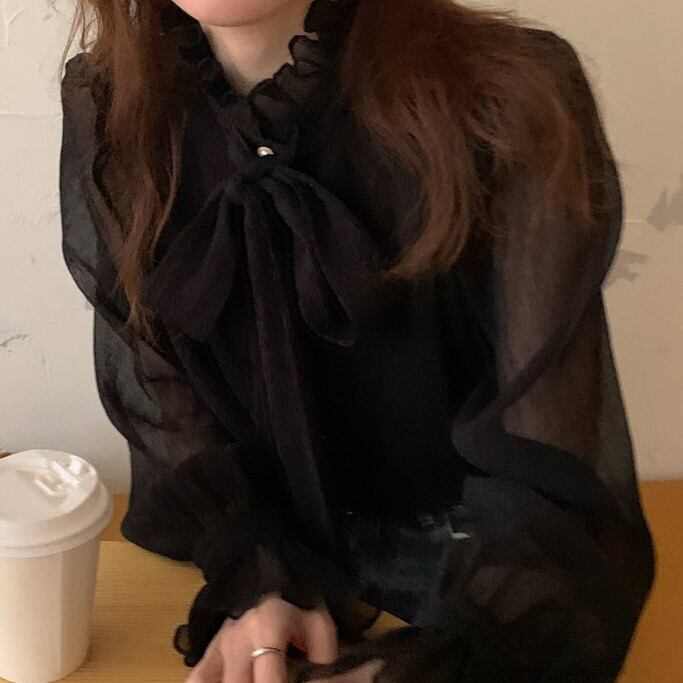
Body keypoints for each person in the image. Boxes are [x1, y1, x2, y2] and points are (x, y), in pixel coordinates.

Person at [58, 0, 655, 681]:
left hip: (480, 573)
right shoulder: (112, 104)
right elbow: (160, 388)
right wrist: (259, 572)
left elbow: (551, 473)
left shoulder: (510, 92)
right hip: (249, 550)